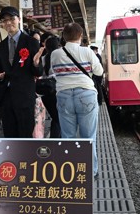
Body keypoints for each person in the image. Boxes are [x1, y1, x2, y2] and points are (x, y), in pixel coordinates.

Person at [50, 23, 103, 179]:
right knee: (88, 136)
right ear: (80, 36)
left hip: (64, 96)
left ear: (64, 37)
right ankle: (91, 171)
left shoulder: (55, 54)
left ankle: (70, 172)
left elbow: (54, 72)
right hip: (86, 94)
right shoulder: (87, 51)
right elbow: (99, 71)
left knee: (68, 136)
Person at [0, 6, 44, 138]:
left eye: (11, 19)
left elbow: (38, 72)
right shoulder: (1, 47)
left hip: (25, 96)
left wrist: (36, 63)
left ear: (19, 19)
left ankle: (27, 158)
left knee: (26, 134)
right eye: (5, 20)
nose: (8, 23)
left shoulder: (31, 42)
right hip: (7, 98)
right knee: (9, 134)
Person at [41, 36, 61, 138]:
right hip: (57, 91)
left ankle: (55, 140)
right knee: (58, 118)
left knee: (55, 117)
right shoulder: (59, 57)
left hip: (46, 93)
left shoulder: (43, 58)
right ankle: (56, 141)